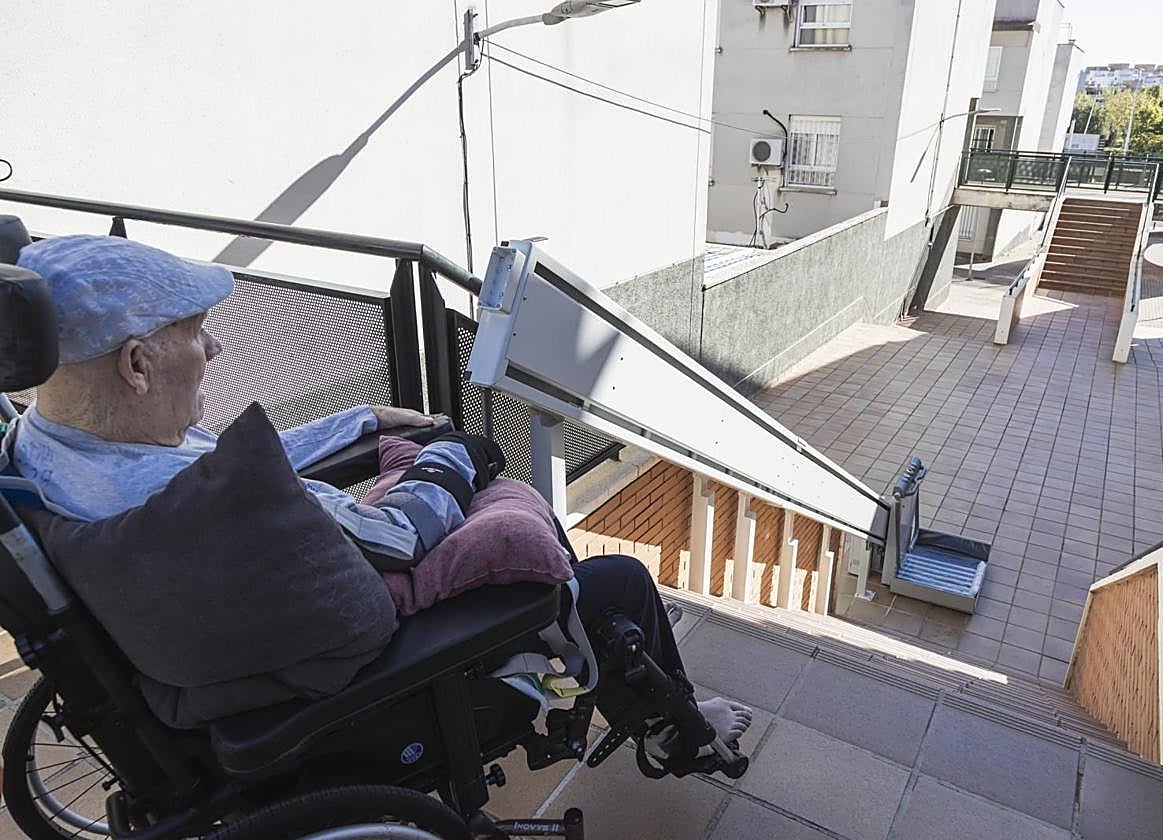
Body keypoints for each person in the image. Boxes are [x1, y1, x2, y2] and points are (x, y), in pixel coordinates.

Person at [4, 234, 751, 755]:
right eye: (196, 331)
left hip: (229, 643)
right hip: (370, 666)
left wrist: (362, 418)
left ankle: (664, 711)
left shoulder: (51, 445)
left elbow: (235, 463)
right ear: (137, 363)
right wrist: (455, 460)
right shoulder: (202, 512)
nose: (214, 348)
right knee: (614, 579)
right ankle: (684, 726)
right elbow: (394, 538)